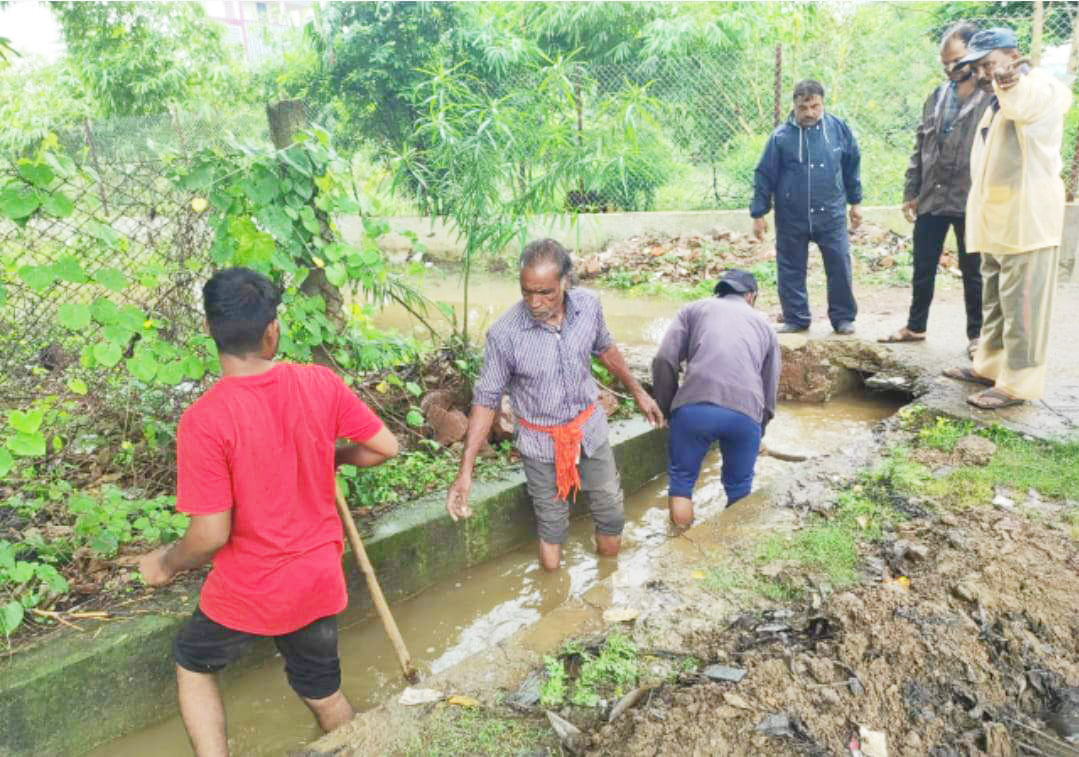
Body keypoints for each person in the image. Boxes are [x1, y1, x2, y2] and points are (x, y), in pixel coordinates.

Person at [137, 267, 399, 757]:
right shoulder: (318, 383)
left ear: (209, 330)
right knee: (323, 692)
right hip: (318, 582)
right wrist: (334, 454)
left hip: (252, 591)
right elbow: (386, 446)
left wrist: (166, 563)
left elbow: (212, 533)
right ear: (271, 330)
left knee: (192, 661)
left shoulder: (204, 420)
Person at [445, 239, 665, 571]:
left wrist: (638, 392)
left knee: (611, 514)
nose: (535, 302)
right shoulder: (505, 335)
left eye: (546, 293)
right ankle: (554, 597)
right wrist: (465, 472)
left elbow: (606, 349)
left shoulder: (589, 306)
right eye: (527, 292)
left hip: (588, 429)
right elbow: (486, 400)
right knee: (551, 526)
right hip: (540, 443)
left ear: (566, 281)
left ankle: (607, 586)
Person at [942, 28, 1071, 409]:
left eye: (988, 65)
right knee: (995, 301)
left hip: (1027, 223)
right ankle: (989, 366)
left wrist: (1012, 82)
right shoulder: (994, 103)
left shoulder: (1040, 89)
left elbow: (1026, 103)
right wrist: (1003, 86)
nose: (982, 74)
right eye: (977, 67)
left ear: (1012, 58)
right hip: (998, 223)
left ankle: (1018, 384)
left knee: (1023, 307)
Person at [881, 22, 990, 358]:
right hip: (932, 194)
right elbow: (920, 145)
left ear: (973, 55)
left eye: (956, 61)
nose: (949, 68)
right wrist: (911, 190)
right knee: (923, 264)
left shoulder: (991, 97)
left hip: (971, 197)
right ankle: (916, 326)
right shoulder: (938, 94)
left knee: (973, 270)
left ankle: (977, 336)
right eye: (944, 62)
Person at [651, 270, 780, 527]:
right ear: (751, 296)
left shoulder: (693, 309)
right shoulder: (765, 326)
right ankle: (732, 553)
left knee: (682, 482)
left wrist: (669, 410)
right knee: (740, 488)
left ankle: (681, 546)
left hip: (694, 409)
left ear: (720, 290)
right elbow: (769, 388)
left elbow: (664, 359)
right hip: (745, 415)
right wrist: (758, 431)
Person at [751, 79, 863, 335]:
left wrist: (855, 203)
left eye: (815, 106)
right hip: (792, 216)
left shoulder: (838, 130)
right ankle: (796, 318)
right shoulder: (780, 137)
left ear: (822, 104)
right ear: (794, 106)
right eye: (803, 107)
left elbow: (852, 166)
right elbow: (764, 175)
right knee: (790, 267)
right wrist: (759, 213)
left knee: (839, 265)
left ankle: (843, 317)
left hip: (831, 213)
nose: (810, 113)